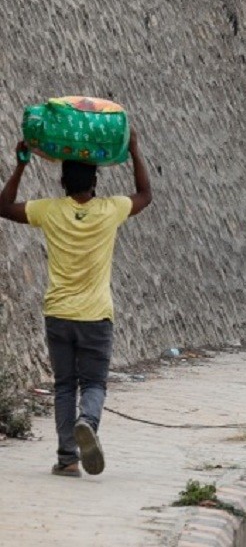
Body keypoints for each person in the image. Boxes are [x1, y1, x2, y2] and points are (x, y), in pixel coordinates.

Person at [0, 131, 153, 477]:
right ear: (95, 182)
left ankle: (67, 458)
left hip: (57, 313)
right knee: (94, 384)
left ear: (62, 182)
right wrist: (135, 150)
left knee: (65, 385)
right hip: (96, 314)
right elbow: (145, 194)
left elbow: (3, 207)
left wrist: (21, 165)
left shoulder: (49, 211)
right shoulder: (110, 210)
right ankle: (88, 421)